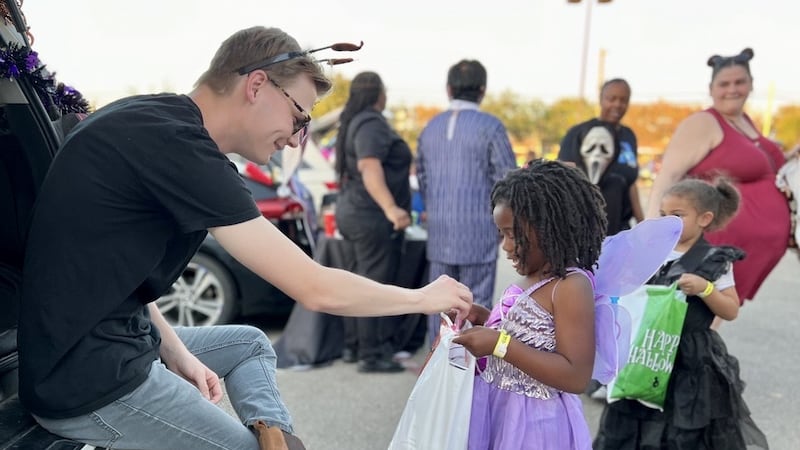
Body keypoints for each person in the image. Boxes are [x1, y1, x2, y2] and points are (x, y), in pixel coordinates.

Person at [17, 27, 472, 450]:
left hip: (105, 341)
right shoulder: (182, 150)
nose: (297, 140)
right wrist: (424, 297)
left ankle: (278, 440)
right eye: (299, 118)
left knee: (252, 343)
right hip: (86, 378)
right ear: (256, 86)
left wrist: (176, 352)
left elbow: (119, 276)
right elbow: (313, 287)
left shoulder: (153, 120)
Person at [594, 178, 769, 450]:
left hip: (689, 359)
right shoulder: (650, 251)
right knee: (632, 420)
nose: (668, 222)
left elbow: (731, 309)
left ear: (704, 218)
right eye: (663, 215)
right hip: (645, 350)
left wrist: (705, 289)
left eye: (677, 216)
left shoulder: (714, 259)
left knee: (681, 429)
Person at [452, 159, 608, 449]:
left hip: (534, 424)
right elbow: (531, 334)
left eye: (513, 234)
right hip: (498, 406)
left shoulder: (570, 286)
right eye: (502, 234)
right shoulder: (532, 276)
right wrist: (484, 320)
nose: (506, 246)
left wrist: (500, 344)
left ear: (552, 227)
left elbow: (576, 376)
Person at [645, 48, 790, 303]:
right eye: (724, 84)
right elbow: (667, 176)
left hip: (742, 249)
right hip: (710, 244)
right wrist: (651, 234)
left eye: (739, 82)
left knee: (711, 321)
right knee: (694, 321)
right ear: (711, 89)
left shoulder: (745, 121)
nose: (732, 89)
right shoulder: (702, 123)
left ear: (751, 85)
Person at [415, 59, 517, 341]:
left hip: (439, 233)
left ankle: (435, 371)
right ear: (483, 90)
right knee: (475, 303)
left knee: (438, 303)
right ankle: (469, 373)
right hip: (479, 231)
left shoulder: (430, 127)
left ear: (448, 89)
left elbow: (422, 178)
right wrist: (505, 228)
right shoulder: (491, 127)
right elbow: (507, 182)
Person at [333, 71, 415, 373]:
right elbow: (369, 165)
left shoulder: (353, 121)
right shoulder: (371, 123)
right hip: (369, 215)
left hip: (354, 210)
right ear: (378, 94)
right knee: (373, 283)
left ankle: (355, 346)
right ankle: (372, 354)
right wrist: (392, 209)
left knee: (358, 280)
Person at [559, 78, 643, 235]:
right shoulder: (579, 133)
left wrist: (642, 225)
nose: (617, 104)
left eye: (623, 100)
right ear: (601, 99)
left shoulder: (628, 135)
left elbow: (631, 183)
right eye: (612, 99)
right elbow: (564, 175)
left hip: (620, 227)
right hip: (584, 227)